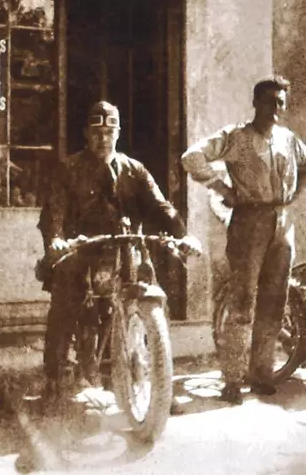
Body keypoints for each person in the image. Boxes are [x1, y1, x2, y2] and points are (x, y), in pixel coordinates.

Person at [34, 101, 199, 417]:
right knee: (66, 305)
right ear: (86, 134)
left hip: (125, 249)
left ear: (118, 133)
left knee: (145, 302)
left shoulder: (133, 169)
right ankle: (54, 382)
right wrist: (56, 241)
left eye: (109, 132)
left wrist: (183, 234)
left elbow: (161, 206)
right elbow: (53, 212)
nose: (103, 139)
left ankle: (157, 387)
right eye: (97, 133)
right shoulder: (69, 169)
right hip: (80, 250)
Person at [181, 76, 306, 405]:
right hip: (248, 222)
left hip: (282, 224)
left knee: (274, 302)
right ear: (256, 103)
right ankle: (232, 378)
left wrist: (292, 195)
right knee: (242, 301)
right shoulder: (236, 137)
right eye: (269, 101)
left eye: (280, 102)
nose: (276, 108)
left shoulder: (288, 139)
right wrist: (222, 189)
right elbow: (192, 157)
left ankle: (262, 375)